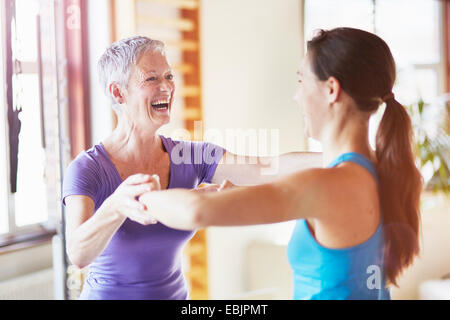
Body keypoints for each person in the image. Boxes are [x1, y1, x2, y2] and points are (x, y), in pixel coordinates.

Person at [140, 28, 424, 300]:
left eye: (301, 81)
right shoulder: (379, 168)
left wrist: (142, 194)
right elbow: (278, 167)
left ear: (331, 90)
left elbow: (197, 212)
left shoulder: (329, 186)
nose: (296, 96)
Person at [62, 36, 321, 300]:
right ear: (118, 93)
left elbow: (264, 167)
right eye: (151, 78)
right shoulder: (87, 169)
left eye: (169, 76)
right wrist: (117, 205)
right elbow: (78, 254)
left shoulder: (188, 155)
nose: (166, 87)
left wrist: (341, 154)